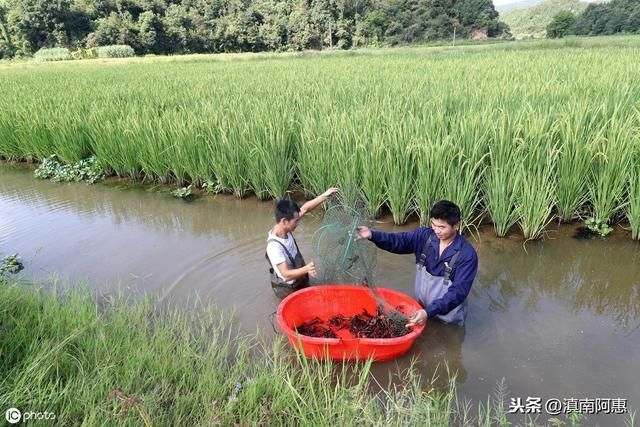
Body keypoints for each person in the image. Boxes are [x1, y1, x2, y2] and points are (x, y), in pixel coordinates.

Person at [356, 200, 478, 326]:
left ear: (456, 225)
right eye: (433, 224)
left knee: (447, 342)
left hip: (448, 319)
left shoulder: (467, 255)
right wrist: (372, 235)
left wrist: (428, 312)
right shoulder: (424, 237)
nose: (436, 230)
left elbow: (458, 293)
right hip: (421, 310)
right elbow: (398, 241)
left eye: (442, 227)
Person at [266, 188, 338, 298]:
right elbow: (285, 274)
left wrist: (325, 195)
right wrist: (306, 269)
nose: (298, 223)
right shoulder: (274, 247)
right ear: (284, 221)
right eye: (296, 221)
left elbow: (305, 208)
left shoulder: (285, 228)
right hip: (289, 288)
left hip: (300, 277)